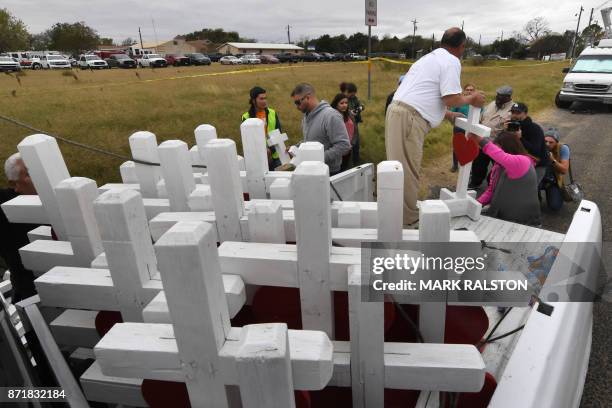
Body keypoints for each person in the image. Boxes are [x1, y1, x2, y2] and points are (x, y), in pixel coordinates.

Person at [385, 27, 485, 225]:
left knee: (397, 168)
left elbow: (424, 92)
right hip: (409, 118)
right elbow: (451, 97)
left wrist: (445, 114)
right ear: (462, 46)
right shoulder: (451, 60)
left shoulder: (428, 58)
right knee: (406, 171)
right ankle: (408, 221)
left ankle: (396, 215)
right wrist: (473, 98)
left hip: (398, 112)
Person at [469, 131, 541, 226]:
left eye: (498, 148)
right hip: (502, 218)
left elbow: (502, 156)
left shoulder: (523, 161)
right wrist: (476, 204)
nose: (494, 155)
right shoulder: (498, 166)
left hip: (524, 223)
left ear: (508, 147)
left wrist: (481, 141)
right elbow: (491, 190)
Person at [1, 153, 39, 302]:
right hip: (30, 296)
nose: (39, 177)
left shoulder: (60, 197)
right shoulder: (4, 205)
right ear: (13, 184)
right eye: (30, 173)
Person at [291, 83, 351, 175]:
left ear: (307, 97)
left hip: (329, 172)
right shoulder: (306, 116)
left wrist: (318, 157)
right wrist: (296, 147)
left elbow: (344, 145)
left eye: (298, 102)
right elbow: (311, 140)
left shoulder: (331, 115)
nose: (297, 107)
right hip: (312, 170)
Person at [469, 85, 514, 188]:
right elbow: (481, 118)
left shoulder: (513, 109)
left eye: (500, 96)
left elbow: (509, 131)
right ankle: (475, 183)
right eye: (497, 95)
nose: (497, 98)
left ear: (508, 97)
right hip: (482, 142)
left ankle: (496, 187)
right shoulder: (492, 104)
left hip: (498, 145)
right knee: (478, 165)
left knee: (498, 168)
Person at [241, 86, 283, 170]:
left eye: (265, 98)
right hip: (258, 157)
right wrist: (263, 151)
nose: (264, 101)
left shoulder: (272, 113)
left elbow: (279, 133)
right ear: (253, 101)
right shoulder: (246, 117)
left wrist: (271, 151)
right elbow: (248, 140)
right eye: (261, 99)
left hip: (275, 155)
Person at [507, 102, 549, 184]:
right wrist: (504, 131)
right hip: (519, 162)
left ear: (525, 114)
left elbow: (535, 150)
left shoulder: (534, 129)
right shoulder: (511, 126)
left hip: (537, 165)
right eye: (513, 112)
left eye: (518, 113)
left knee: (529, 188)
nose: (514, 115)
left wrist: (520, 138)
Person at [541, 128, 570, 211]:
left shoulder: (563, 148)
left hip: (553, 180)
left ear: (557, 142)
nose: (547, 144)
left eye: (551, 142)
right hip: (539, 178)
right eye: (545, 141)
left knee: (555, 206)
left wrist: (552, 160)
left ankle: (554, 193)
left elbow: (564, 170)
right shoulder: (539, 145)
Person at [449, 83, 476, 172]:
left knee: (470, 147)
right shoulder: (460, 101)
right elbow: (452, 113)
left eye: (471, 90)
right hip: (459, 128)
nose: (469, 91)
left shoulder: (477, 102)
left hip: (471, 129)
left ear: (474, 91)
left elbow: (481, 114)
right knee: (457, 146)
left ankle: (468, 167)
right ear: (464, 91)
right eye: (467, 89)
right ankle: (455, 165)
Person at [330, 93, 355, 172]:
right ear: (336, 104)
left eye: (346, 103)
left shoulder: (349, 115)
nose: (344, 105)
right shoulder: (332, 116)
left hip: (347, 151)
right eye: (341, 103)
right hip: (337, 151)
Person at [343, 82, 363, 165]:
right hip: (345, 125)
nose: (353, 95)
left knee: (356, 142)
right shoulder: (343, 99)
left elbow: (360, 104)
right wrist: (349, 112)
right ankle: (346, 161)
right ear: (347, 92)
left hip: (355, 123)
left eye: (354, 94)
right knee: (347, 142)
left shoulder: (354, 98)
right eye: (352, 94)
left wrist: (360, 108)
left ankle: (356, 160)